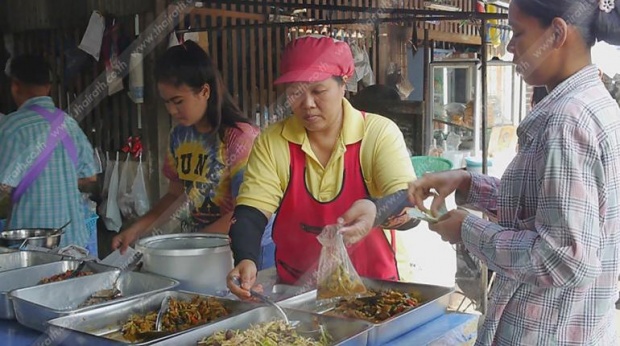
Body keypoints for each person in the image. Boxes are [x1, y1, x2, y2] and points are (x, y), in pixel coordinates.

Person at [341, 0, 620, 344]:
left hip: (548, 332)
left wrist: (469, 231)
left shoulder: (567, 121)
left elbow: (564, 259)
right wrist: (466, 182)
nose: (509, 46)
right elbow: (544, 206)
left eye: (517, 33)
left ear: (558, 33)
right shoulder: (597, 106)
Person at [226, 36, 419, 299]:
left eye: (318, 91)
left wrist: (376, 210)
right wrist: (246, 257)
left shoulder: (377, 133)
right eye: (296, 92)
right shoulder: (273, 141)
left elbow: (404, 195)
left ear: (343, 86)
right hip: (297, 292)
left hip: (372, 290)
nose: (307, 104)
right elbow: (252, 209)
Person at [111, 41, 261, 254]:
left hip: (243, 251)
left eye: (178, 101)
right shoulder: (179, 136)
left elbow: (246, 211)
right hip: (204, 248)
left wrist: (193, 245)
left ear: (205, 91)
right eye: (167, 102)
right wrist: (136, 229)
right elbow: (174, 195)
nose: (172, 110)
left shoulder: (240, 138)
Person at [0, 55, 100, 247]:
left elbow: (3, 187)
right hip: (72, 243)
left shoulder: (12, 127)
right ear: (48, 88)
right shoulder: (69, 124)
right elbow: (90, 178)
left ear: (15, 86)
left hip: (30, 247)